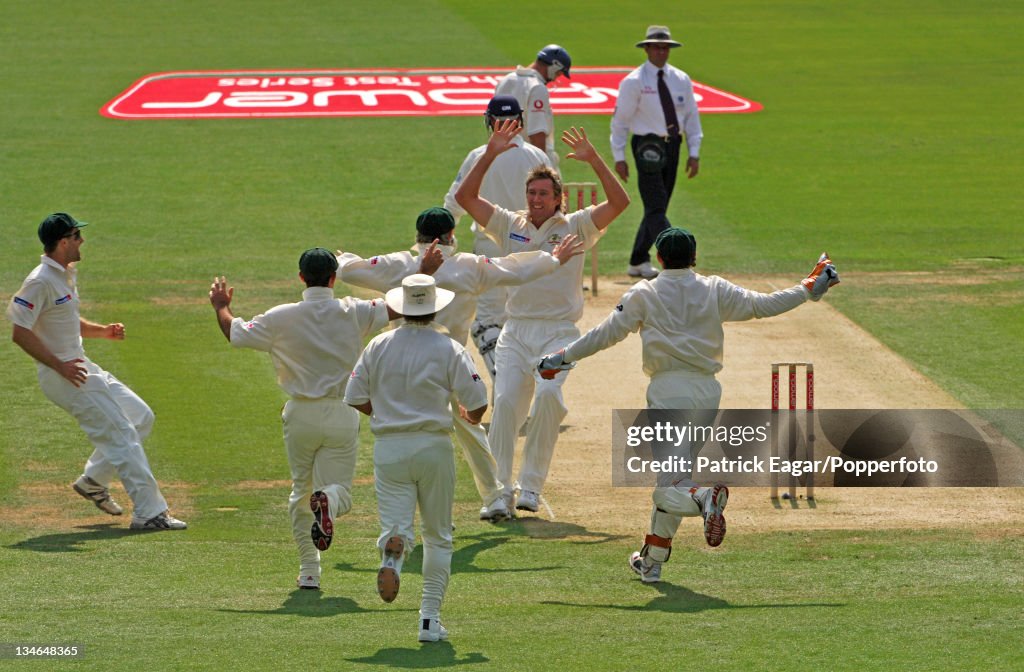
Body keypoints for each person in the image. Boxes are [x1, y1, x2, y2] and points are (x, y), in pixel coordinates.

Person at [538, 228, 840, 583]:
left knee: (670, 487)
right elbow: (763, 304)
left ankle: (705, 498)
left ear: (660, 259)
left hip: (669, 393)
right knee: (674, 479)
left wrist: (562, 356)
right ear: (694, 257)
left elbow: (604, 334)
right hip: (708, 394)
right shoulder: (714, 289)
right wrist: (807, 287)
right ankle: (652, 560)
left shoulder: (644, 292)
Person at [208, 247, 439, 590]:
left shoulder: (280, 316)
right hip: (343, 410)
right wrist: (425, 270)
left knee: (301, 491)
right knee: (339, 490)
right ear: (333, 278)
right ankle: (328, 501)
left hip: (300, 413)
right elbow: (404, 305)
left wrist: (221, 306)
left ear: (301, 277)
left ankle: (310, 570)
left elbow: (235, 333)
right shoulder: (354, 310)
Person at [336, 207, 582, 521]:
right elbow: (513, 270)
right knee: (469, 427)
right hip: (448, 362)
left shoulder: (397, 264)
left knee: (407, 431)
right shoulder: (469, 266)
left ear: (418, 237)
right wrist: (552, 259)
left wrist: (343, 259)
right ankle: (495, 498)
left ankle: (405, 512)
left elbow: (350, 271)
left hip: (398, 365)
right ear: (452, 235)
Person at [454, 121, 630, 515]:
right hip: (515, 331)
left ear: (558, 198)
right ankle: (499, 494)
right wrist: (491, 152)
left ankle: (530, 487)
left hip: (558, 334)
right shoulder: (509, 223)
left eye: (543, 194)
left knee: (549, 397)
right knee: (505, 405)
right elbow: (466, 197)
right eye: (531, 193)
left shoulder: (578, 226)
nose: (535, 199)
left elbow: (620, 204)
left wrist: (595, 160)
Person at [6, 212, 186, 531]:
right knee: (122, 434)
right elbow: (20, 331)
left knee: (140, 416)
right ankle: (149, 512)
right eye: (77, 235)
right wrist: (59, 365)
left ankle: (93, 480)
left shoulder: (64, 275)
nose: (82, 240)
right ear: (63, 242)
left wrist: (101, 331)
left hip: (81, 366)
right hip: (65, 374)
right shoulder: (40, 280)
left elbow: (63, 320)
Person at [345, 274, 489, 643]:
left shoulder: (377, 345)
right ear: (436, 307)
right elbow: (477, 401)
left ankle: (393, 553)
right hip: (432, 446)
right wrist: (469, 417)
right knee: (438, 536)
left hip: (389, 446)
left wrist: (384, 412)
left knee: (397, 525)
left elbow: (354, 394)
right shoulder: (449, 347)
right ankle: (428, 619)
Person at [444, 95, 553, 381]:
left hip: (489, 246)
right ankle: (539, 383)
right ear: (520, 121)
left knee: (488, 322)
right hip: (530, 246)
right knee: (526, 318)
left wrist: (443, 237)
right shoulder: (539, 157)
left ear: (490, 121)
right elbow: (555, 203)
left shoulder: (478, 156)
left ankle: (507, 385)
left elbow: (454, 203)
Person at [611, 25, 704, 279]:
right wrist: (619, 157)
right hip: (645, 146)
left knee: (657, 206)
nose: (661, 52)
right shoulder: (634, 82)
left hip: (673, 144)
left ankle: (638, 260)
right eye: (656, 47)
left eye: (665, 47)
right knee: (655, 207)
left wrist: (693, 152)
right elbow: (620, 121)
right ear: (647, 49)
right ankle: (678, 261)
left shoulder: (681, 79)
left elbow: (692, 117)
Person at [495, 44, 572, 167]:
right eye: (558, 73)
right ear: (554, 66)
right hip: (529, 160)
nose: (555, 78)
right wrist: (542, 169)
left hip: (500, 156)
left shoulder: (506, 80)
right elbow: (537, 133)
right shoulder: (537, 88)